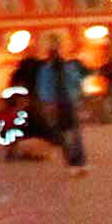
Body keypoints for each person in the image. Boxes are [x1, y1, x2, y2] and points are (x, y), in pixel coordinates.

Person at [18, 43, 90, 172]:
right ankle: (76, 161)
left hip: (62, 103)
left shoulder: (57, 68)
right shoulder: (56, 68)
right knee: (70, 134)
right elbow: (76, 82)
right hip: (62, 103)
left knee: (70, 134)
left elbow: (45, 87)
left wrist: (47, 102)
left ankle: (76, 161)